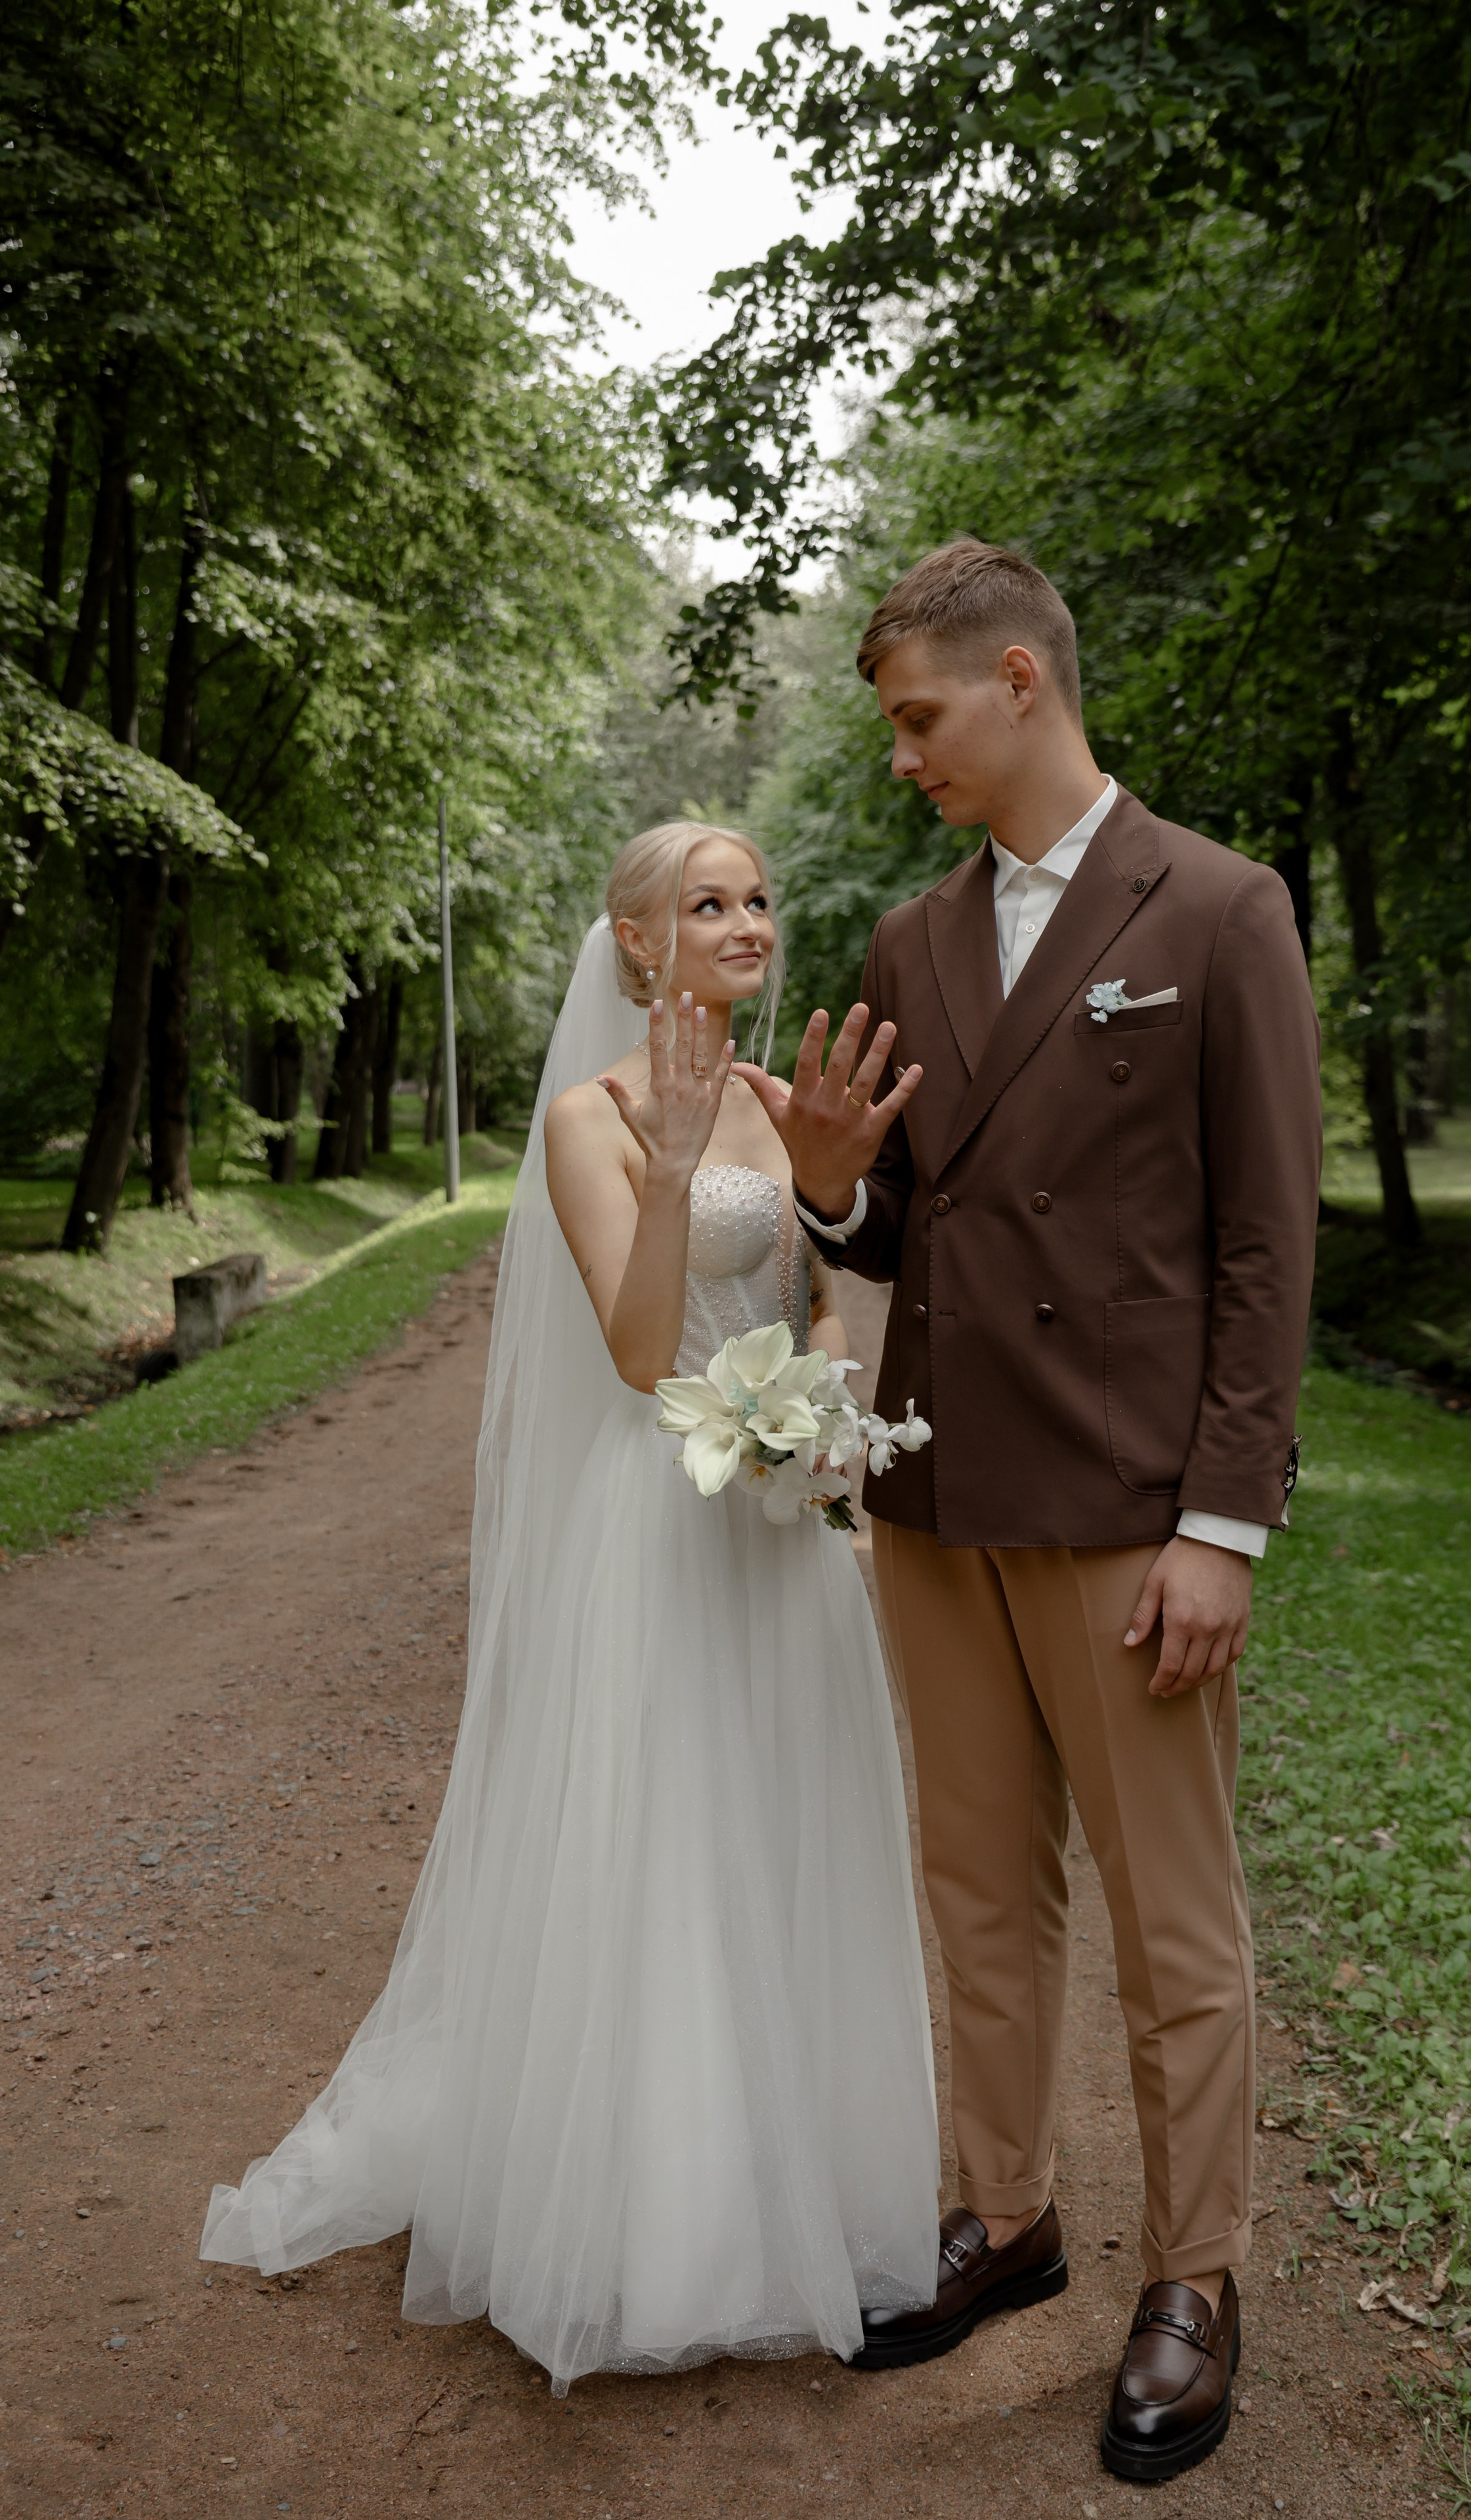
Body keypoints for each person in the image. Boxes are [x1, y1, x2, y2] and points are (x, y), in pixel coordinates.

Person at [201, 820, 940, 2387]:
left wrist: (822, 1340)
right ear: (635, 945)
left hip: (778, 1516)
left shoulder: (770, 1096)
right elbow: (634, 1347)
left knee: (779, 1831)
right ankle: (656, 2234)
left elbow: (822, 1295)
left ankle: (790, 2182)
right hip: (657, 1517)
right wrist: (674, 1176)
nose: (746, 923)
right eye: (707, 904)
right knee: (668, 1845)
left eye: (756, 900)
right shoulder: (585, 1116)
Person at [736, 541, 1321, 2483]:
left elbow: (1265, 1243)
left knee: (1177, 1928)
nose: (902, 756)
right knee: (979, 1894)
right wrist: (828, 1190)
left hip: (1129, 1510)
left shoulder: (1224, 908)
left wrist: (1223, 1524)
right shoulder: (911, 944)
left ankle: (1196, 2279)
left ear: (1017, 679)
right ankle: (1006, 2217)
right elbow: (901, 1223)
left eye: (917, 718)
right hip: (938, 1495)